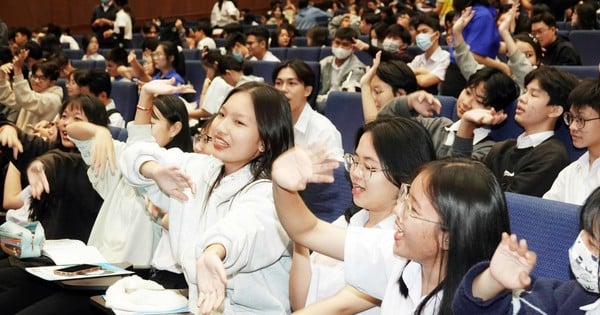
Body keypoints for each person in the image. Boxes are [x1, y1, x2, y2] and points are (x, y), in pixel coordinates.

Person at [119, 82, 294, 314]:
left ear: (264, 142)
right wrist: (154, 171)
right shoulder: (201, 168)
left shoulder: (270, 192)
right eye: (222, 114)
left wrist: (214, 251)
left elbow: (244, 228)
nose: (221, 127)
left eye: (239, 122)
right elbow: (134, 152)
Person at [271, 152, 510, 314]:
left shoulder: (479, 302)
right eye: (404, 198)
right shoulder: (397, 257)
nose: (397, 211)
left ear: (449, 237)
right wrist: (283, 185)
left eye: (412, 209)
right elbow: (308, 230)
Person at [289, 116, 436, 313]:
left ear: (404, 175)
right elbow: (301, 303)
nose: (356, 173)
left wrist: (301, 223)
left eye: (369, 167)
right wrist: (303, 239)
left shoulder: (402, 245)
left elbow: (339, 308)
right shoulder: (348, 221)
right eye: (355, 161)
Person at [453, 185, 600, 314]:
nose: (592, 255)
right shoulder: (573, 297)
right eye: (592, 243)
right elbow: (471, 310)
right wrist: (493, 280)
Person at [380, 66, 519, 160]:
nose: (466, 102)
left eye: (479, 101)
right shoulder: (437, 125)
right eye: (468, 92)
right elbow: (381, 127)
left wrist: (467, 126)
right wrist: (408, 102)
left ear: (496, 112)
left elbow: (451, 178)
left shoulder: (488, 151)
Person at [484, 66, 579, 197]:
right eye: (525, 91)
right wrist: (467, 125)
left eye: (534, 94)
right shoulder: (501, 148)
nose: (522, 98)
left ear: (555, 110)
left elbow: (509, 205)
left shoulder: (552, 156)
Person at [544, 78, 600, 205]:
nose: (572, 127)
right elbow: (547, 217)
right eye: (571, 118)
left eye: (581, 119)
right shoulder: (569, 173)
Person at [273, 59, 342, 155]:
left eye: (292, 83)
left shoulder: (324, 131)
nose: (283, 89)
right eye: (278, 83)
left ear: (307, 90)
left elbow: (335, 169)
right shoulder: (269, 123)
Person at [440, 0, 502, 98]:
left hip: (455, 75)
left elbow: (487, 46)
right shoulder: (482, 15)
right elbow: (474, 54)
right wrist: (502, 67)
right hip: (467, 77)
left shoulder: (472, 10)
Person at [0, 50, 63, 133]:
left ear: (52, 82)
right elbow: (8, 98)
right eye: (34, 76)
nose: (36, 81)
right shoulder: (34, 93)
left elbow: (26, 99)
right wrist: (2, 76)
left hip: (37, 143)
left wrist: (17, 70)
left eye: (42, 78)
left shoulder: (54, 99)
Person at [360, 51, 418, 122]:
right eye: (370, 92)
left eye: (378, 92)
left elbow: (374, 128)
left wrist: (365, 86)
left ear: (400, 95)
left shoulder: (411, 127)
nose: (371, 98)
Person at [316, 27, 366, 109]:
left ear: (353, 48)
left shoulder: (358, 68)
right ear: (332, 43)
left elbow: (347, 94)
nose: (340, 47)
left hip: (340, 106)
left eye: (345, 44)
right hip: (319, 103)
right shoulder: (324, 62)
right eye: (337, 43)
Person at [407, 13, 450, 94]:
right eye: (418, 32)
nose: (420, 36)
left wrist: (413, 73)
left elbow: (424, 82)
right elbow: (402, 73)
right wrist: (421, 71)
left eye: (424, 31)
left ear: (437, 34)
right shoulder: (418, 58)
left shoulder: (446, 58)